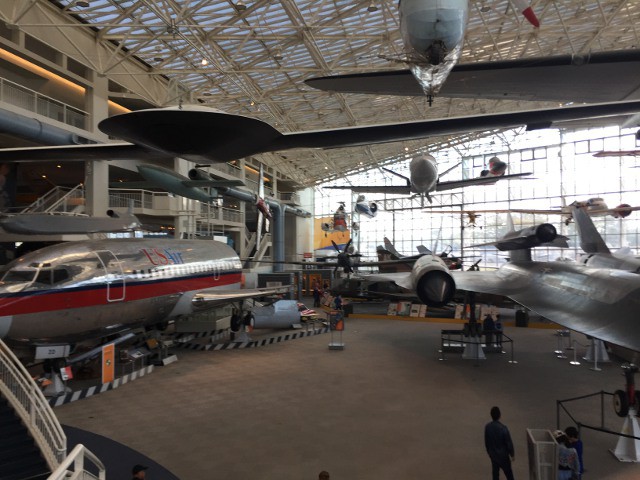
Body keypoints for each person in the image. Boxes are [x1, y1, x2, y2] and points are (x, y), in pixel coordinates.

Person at [484, 406, 515, 480]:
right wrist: (512, 454)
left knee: (495, 475)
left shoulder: (488, 427)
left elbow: (486, 442)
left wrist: (489, 452)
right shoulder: (503, 428)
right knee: (509, 475)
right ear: (499, 415)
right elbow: (509, 443)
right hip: (503, 456)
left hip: (494, 455)